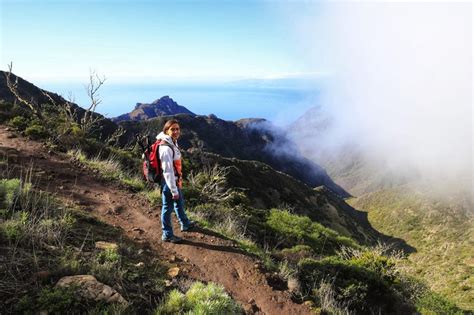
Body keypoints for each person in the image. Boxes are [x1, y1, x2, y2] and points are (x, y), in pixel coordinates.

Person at [157, 119, 195, 243]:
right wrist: (173, 190)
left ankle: (185, 223)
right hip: (169, 183)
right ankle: (167, 234)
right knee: (167, 208)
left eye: (177, 129)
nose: (176, 131)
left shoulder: (172, 142)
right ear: (166, 131)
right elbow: (168, 171)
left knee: (179, 203)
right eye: (172, 129)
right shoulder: (166, 148)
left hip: (175, 180)